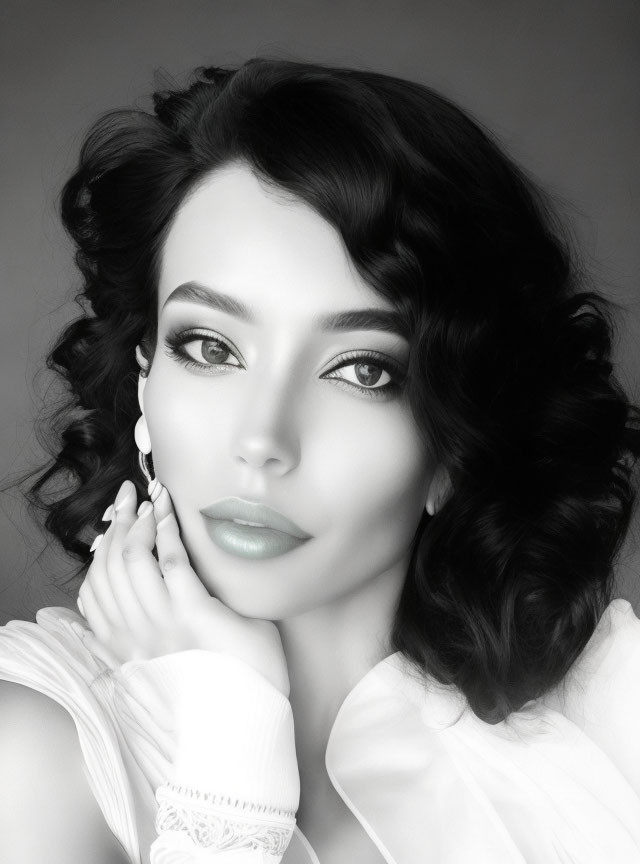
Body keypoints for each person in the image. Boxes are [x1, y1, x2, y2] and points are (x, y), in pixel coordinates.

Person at [1, 57, 639, 863]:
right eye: (210, 347)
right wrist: (233, 752)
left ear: (458, 443)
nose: (263, 439)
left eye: (363, 370)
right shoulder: (30, 750)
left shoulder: (607, 725)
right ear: (145, 381)